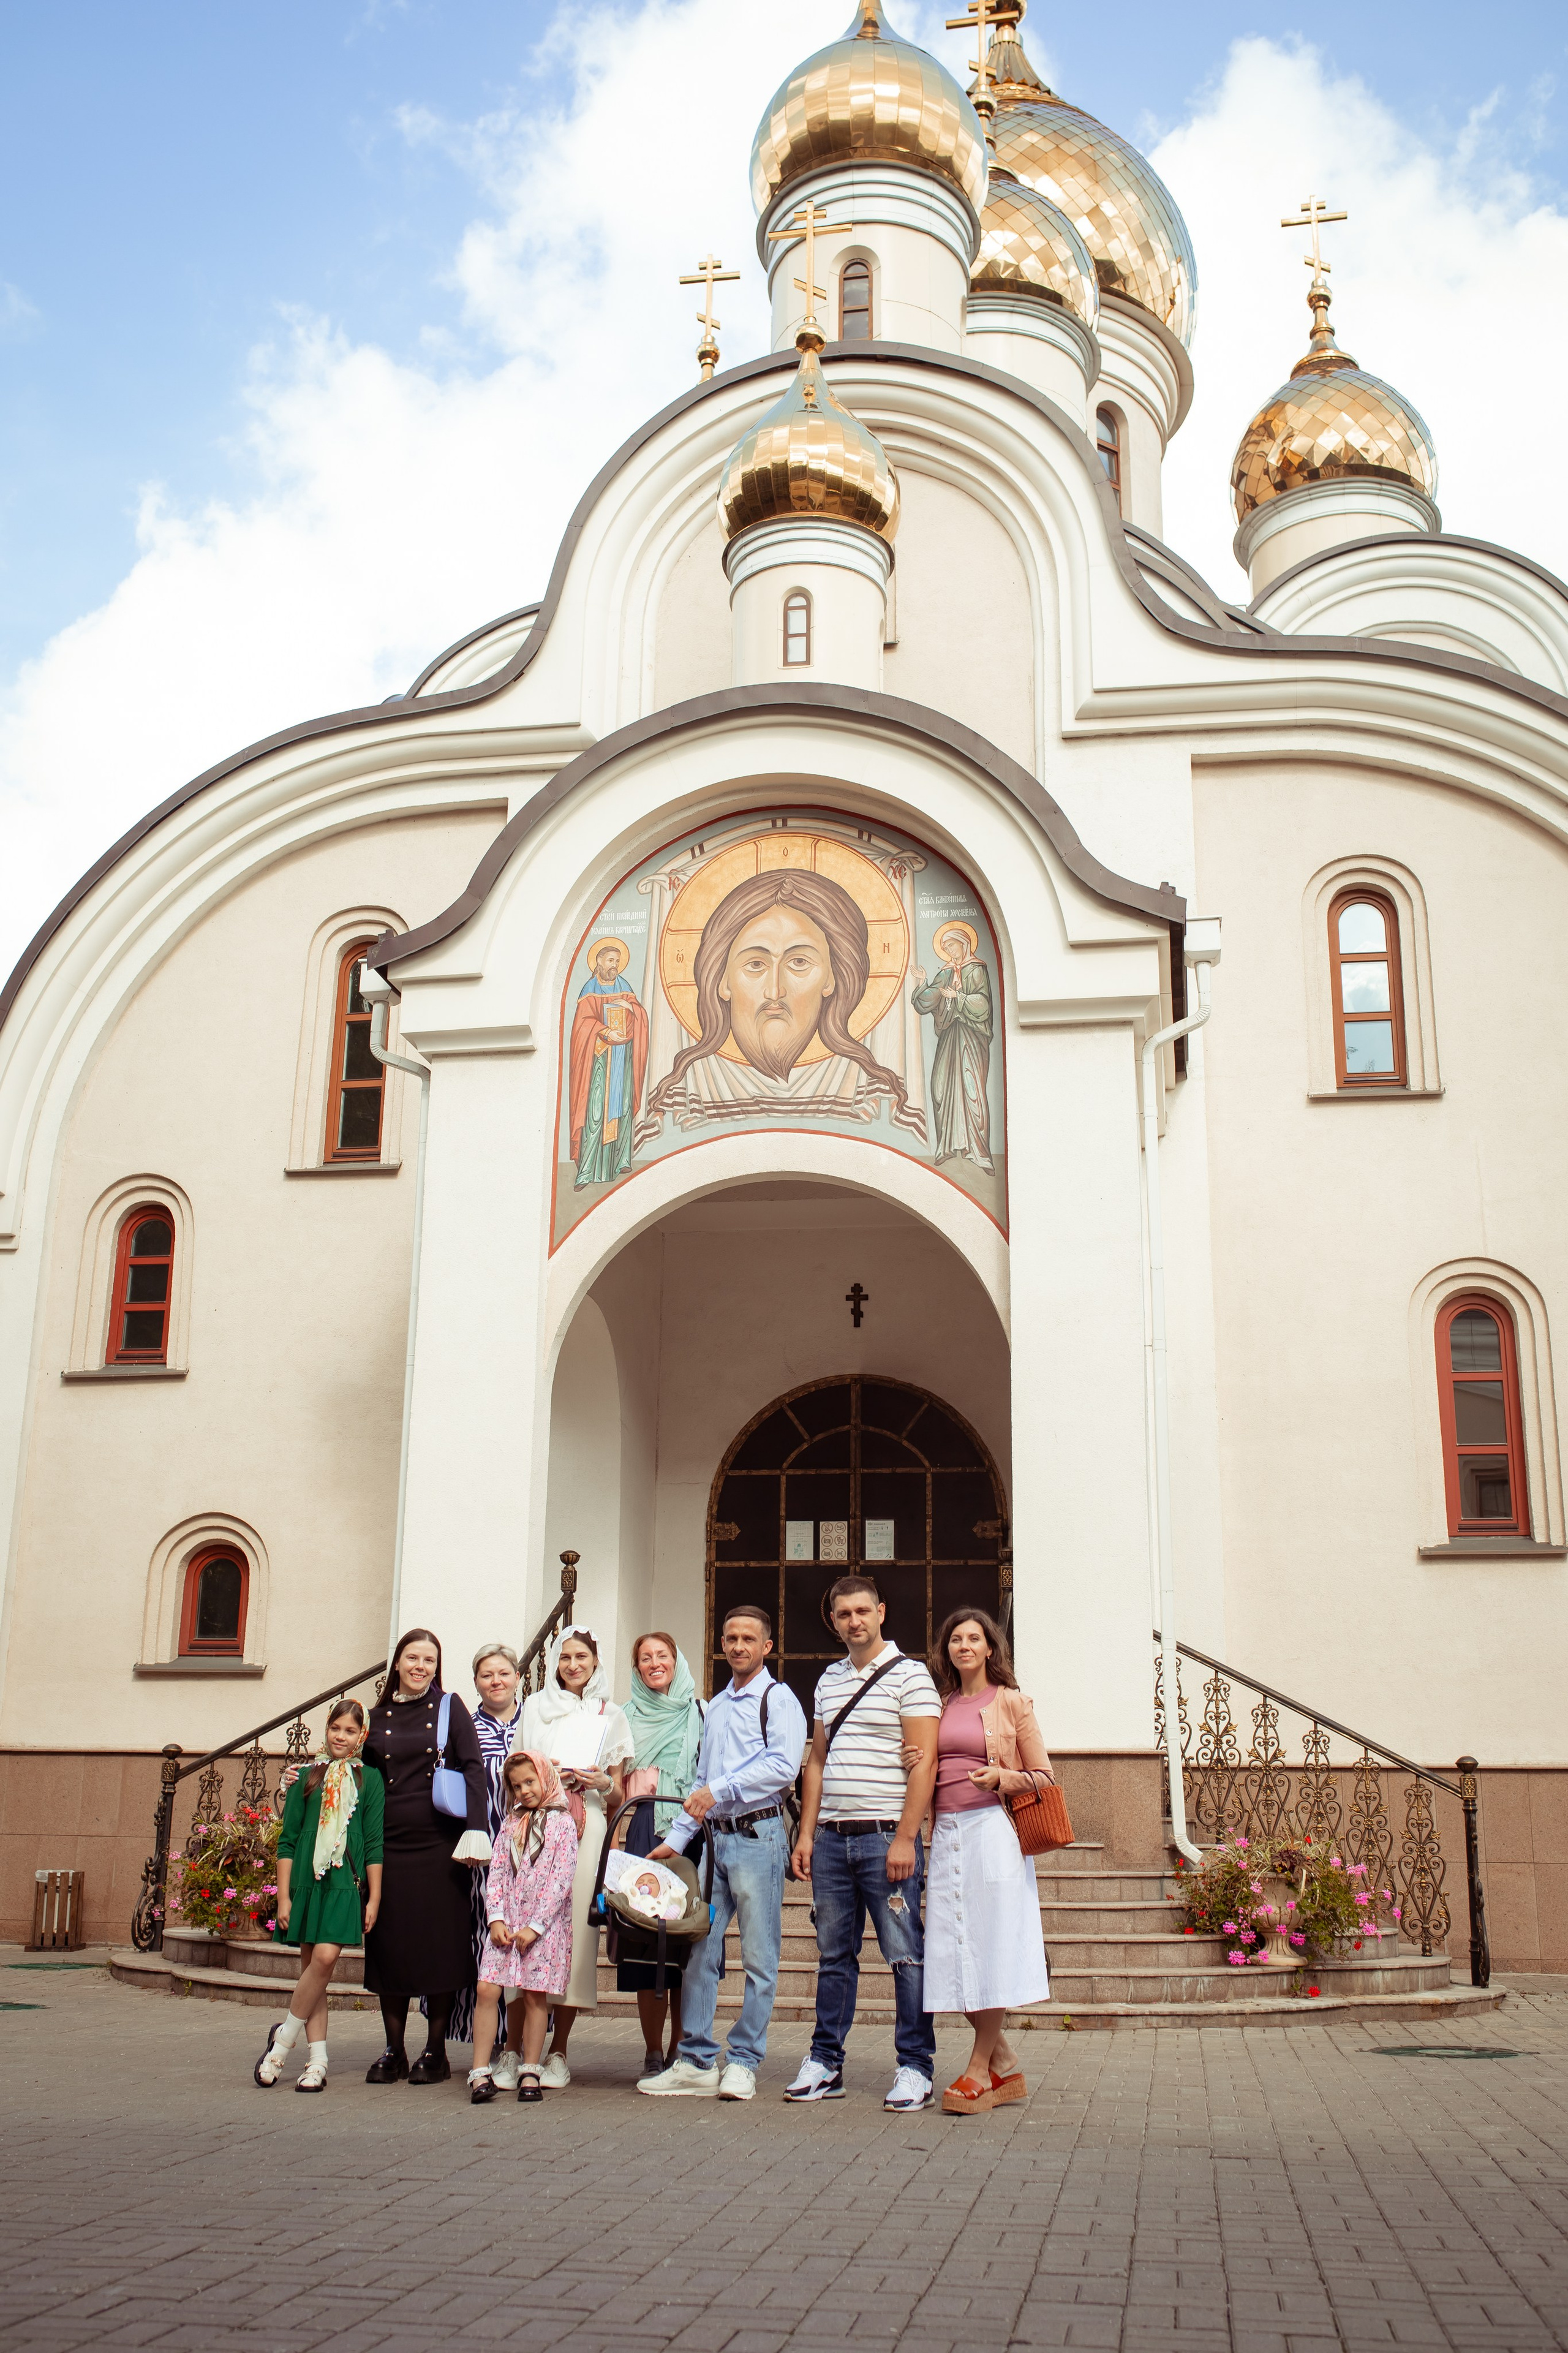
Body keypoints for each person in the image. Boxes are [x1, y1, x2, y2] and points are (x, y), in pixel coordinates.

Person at [638, 1604, 806, 2103]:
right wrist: (677, 1838)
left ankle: (745, 2061)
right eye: (730, 1638)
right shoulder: (716, 1705)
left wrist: (721, 1788)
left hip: (759, 1836)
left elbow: (782, 1765)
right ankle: (694, 2059)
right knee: (699, 1950)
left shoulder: (778, 1699)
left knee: (759, 1956)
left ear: (766, 1646)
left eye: (748, 1639)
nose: (737, 1646)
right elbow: (699, 1782)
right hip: (714, 1839)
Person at [787, 1573, 941, 2111]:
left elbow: (925, 1766)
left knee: (905, 1956)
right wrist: (806, 1833)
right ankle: (825, 2062)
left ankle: (915, 2066)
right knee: (834, 1957)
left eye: (862, 1611)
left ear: (881, 1611)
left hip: (884, 1840)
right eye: (843, 1613)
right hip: (831, 1840)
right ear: (834, 1621)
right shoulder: (828, 1680)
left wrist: (906, 1837)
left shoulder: (912, 1676)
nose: (854, 1620)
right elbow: (818, 1760)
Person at [920, 1609, 1052, 2115]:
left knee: (991, 1942)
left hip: (993, 1831)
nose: (964, 1645)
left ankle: (979, 2070)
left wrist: (1002, 1777)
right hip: (947, 1833)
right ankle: (1004, 2060)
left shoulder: (1012, 1702)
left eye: (974, 1637)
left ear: (990, 1647)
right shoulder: (942, 1702)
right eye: (956, 1639)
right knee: (955, 1946)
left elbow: (1043, 1774)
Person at [362, 1628, 492, 2085]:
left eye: (430, 1660)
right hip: (388, 1846)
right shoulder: (374, 1717)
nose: (421, 1666)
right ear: (397, 1662)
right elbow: (358, 1776)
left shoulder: (449, 1707)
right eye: (413, 1657)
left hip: (441, 1844)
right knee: (389, 1945)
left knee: (440, 1946)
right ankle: (393, 2048)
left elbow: (474, 1767)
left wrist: (477, 1829)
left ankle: (435, 2051)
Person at [518, 1625, 633, 2085]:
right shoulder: (535, 1708)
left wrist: (600, 1781)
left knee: (574, 1931)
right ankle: (514, 2047)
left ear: (595, 1662)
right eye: (565, 1657)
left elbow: (618, 1788)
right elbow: (516, 1767)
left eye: (581, 1656)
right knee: (528, 1921)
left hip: (586, 1824)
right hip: (538, 1823)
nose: (573, 1665)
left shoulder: (612, 1713)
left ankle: (559, 2050)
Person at [254, 1699, 384, 2092]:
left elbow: (375, 1842)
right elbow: (288, 1841)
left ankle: (281, 2043)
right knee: (316, 1974)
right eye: (335, 1729)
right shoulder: (304, 1777)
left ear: (361, 1737)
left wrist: (375, 1898)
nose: (340, 1737)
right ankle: (318, 2062)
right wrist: (283, 1898)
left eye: (349, 1731)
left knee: (325, 1959)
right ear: (325, 1730)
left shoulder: (370, 1779)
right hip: (307, 1884)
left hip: (346, 1882)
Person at [469, 1750, 582, 2107]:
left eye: (530, 1782)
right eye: (517, 1786)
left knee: (535, 1994)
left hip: (543, 1929)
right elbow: (498, 1873)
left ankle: (531, 2068)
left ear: (546, 1778)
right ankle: (479, 2072)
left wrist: (536, 1926)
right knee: (488, 1990)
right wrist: (496, 1918)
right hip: (508, 1924)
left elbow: (561, 1880)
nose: (524, 1791)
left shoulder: (564, 1824)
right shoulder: (510, 1823)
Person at [619, 1630, 704, 2075]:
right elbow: (615, 1785)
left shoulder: (700, 1711)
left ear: (677, 1659)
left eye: (663, 1655)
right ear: (636, 1668)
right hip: (643, 1832)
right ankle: (653, 2049)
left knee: (687, 1946)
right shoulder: (624, 1716)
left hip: (691, 1832)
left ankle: (681, 2049)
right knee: (645, 1944)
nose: (656, 1662)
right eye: (646, 1657)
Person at [455, 1642, 528, 2082]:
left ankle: (519, 2042)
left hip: (528, 1852)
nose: (496, 1681)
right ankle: (489, 2040)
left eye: (503, 1672)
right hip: (482, 1854)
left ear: (518, 1676)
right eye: (487, 1675)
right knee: (485, 1941)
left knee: (525, 1942)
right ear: (477, 1681)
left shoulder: (533, 1722)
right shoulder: (466, 1727)